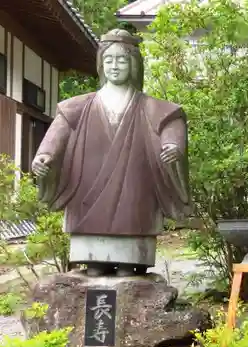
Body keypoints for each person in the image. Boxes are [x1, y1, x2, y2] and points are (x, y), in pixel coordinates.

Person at [31, 29, 191, 277]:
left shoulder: (151, 106)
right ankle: (93, 259)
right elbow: (56, 137)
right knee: (93, 267)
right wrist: (44, 157)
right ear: (101, 65)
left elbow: (171, 124)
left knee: (131, 250)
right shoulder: (78, 106)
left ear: (134, 65)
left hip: (134, 185)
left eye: (122, 60)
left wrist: (172, 147)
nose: (115, 66)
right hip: (87, 184)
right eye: (109, 60)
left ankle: (131, 260)